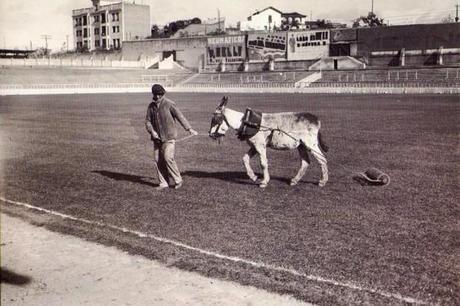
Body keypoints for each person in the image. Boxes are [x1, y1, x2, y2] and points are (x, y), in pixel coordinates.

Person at [145, 84, 198, 190]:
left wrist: (189, 129)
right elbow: (147, 121)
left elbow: (180, 116)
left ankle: (178, 180)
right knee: (157, 160)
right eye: (157, 95)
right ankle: (163, 182)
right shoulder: (151, 106)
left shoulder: (169, 104)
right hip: (157, 139)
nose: (159, 97)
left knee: (168, 158)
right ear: (154, 95)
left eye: (161, 94)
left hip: (169, 137)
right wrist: (152, 131)